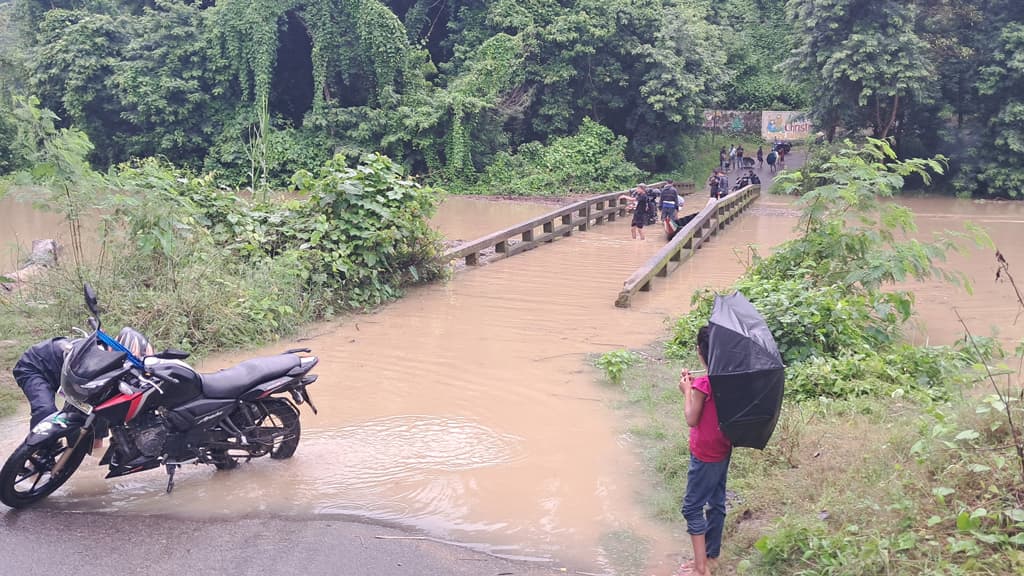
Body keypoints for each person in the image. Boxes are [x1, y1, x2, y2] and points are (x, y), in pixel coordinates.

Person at [14, 328, 154, 443]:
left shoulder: (118, 365)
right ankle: (34, 455)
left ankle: (83, 458)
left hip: (64, 376)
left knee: (98, 412)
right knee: (46, 410)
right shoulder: (94, 355)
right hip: (35, 367)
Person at [677, 325, 732, 576]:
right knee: (716, 501)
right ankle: (710, 557)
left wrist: (687, 391)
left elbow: (691, 418)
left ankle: (701, 569)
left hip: (705, 453)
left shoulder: (703, 384)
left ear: (700, 351)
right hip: (723, 448)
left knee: (691, 507)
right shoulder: (731, 379)